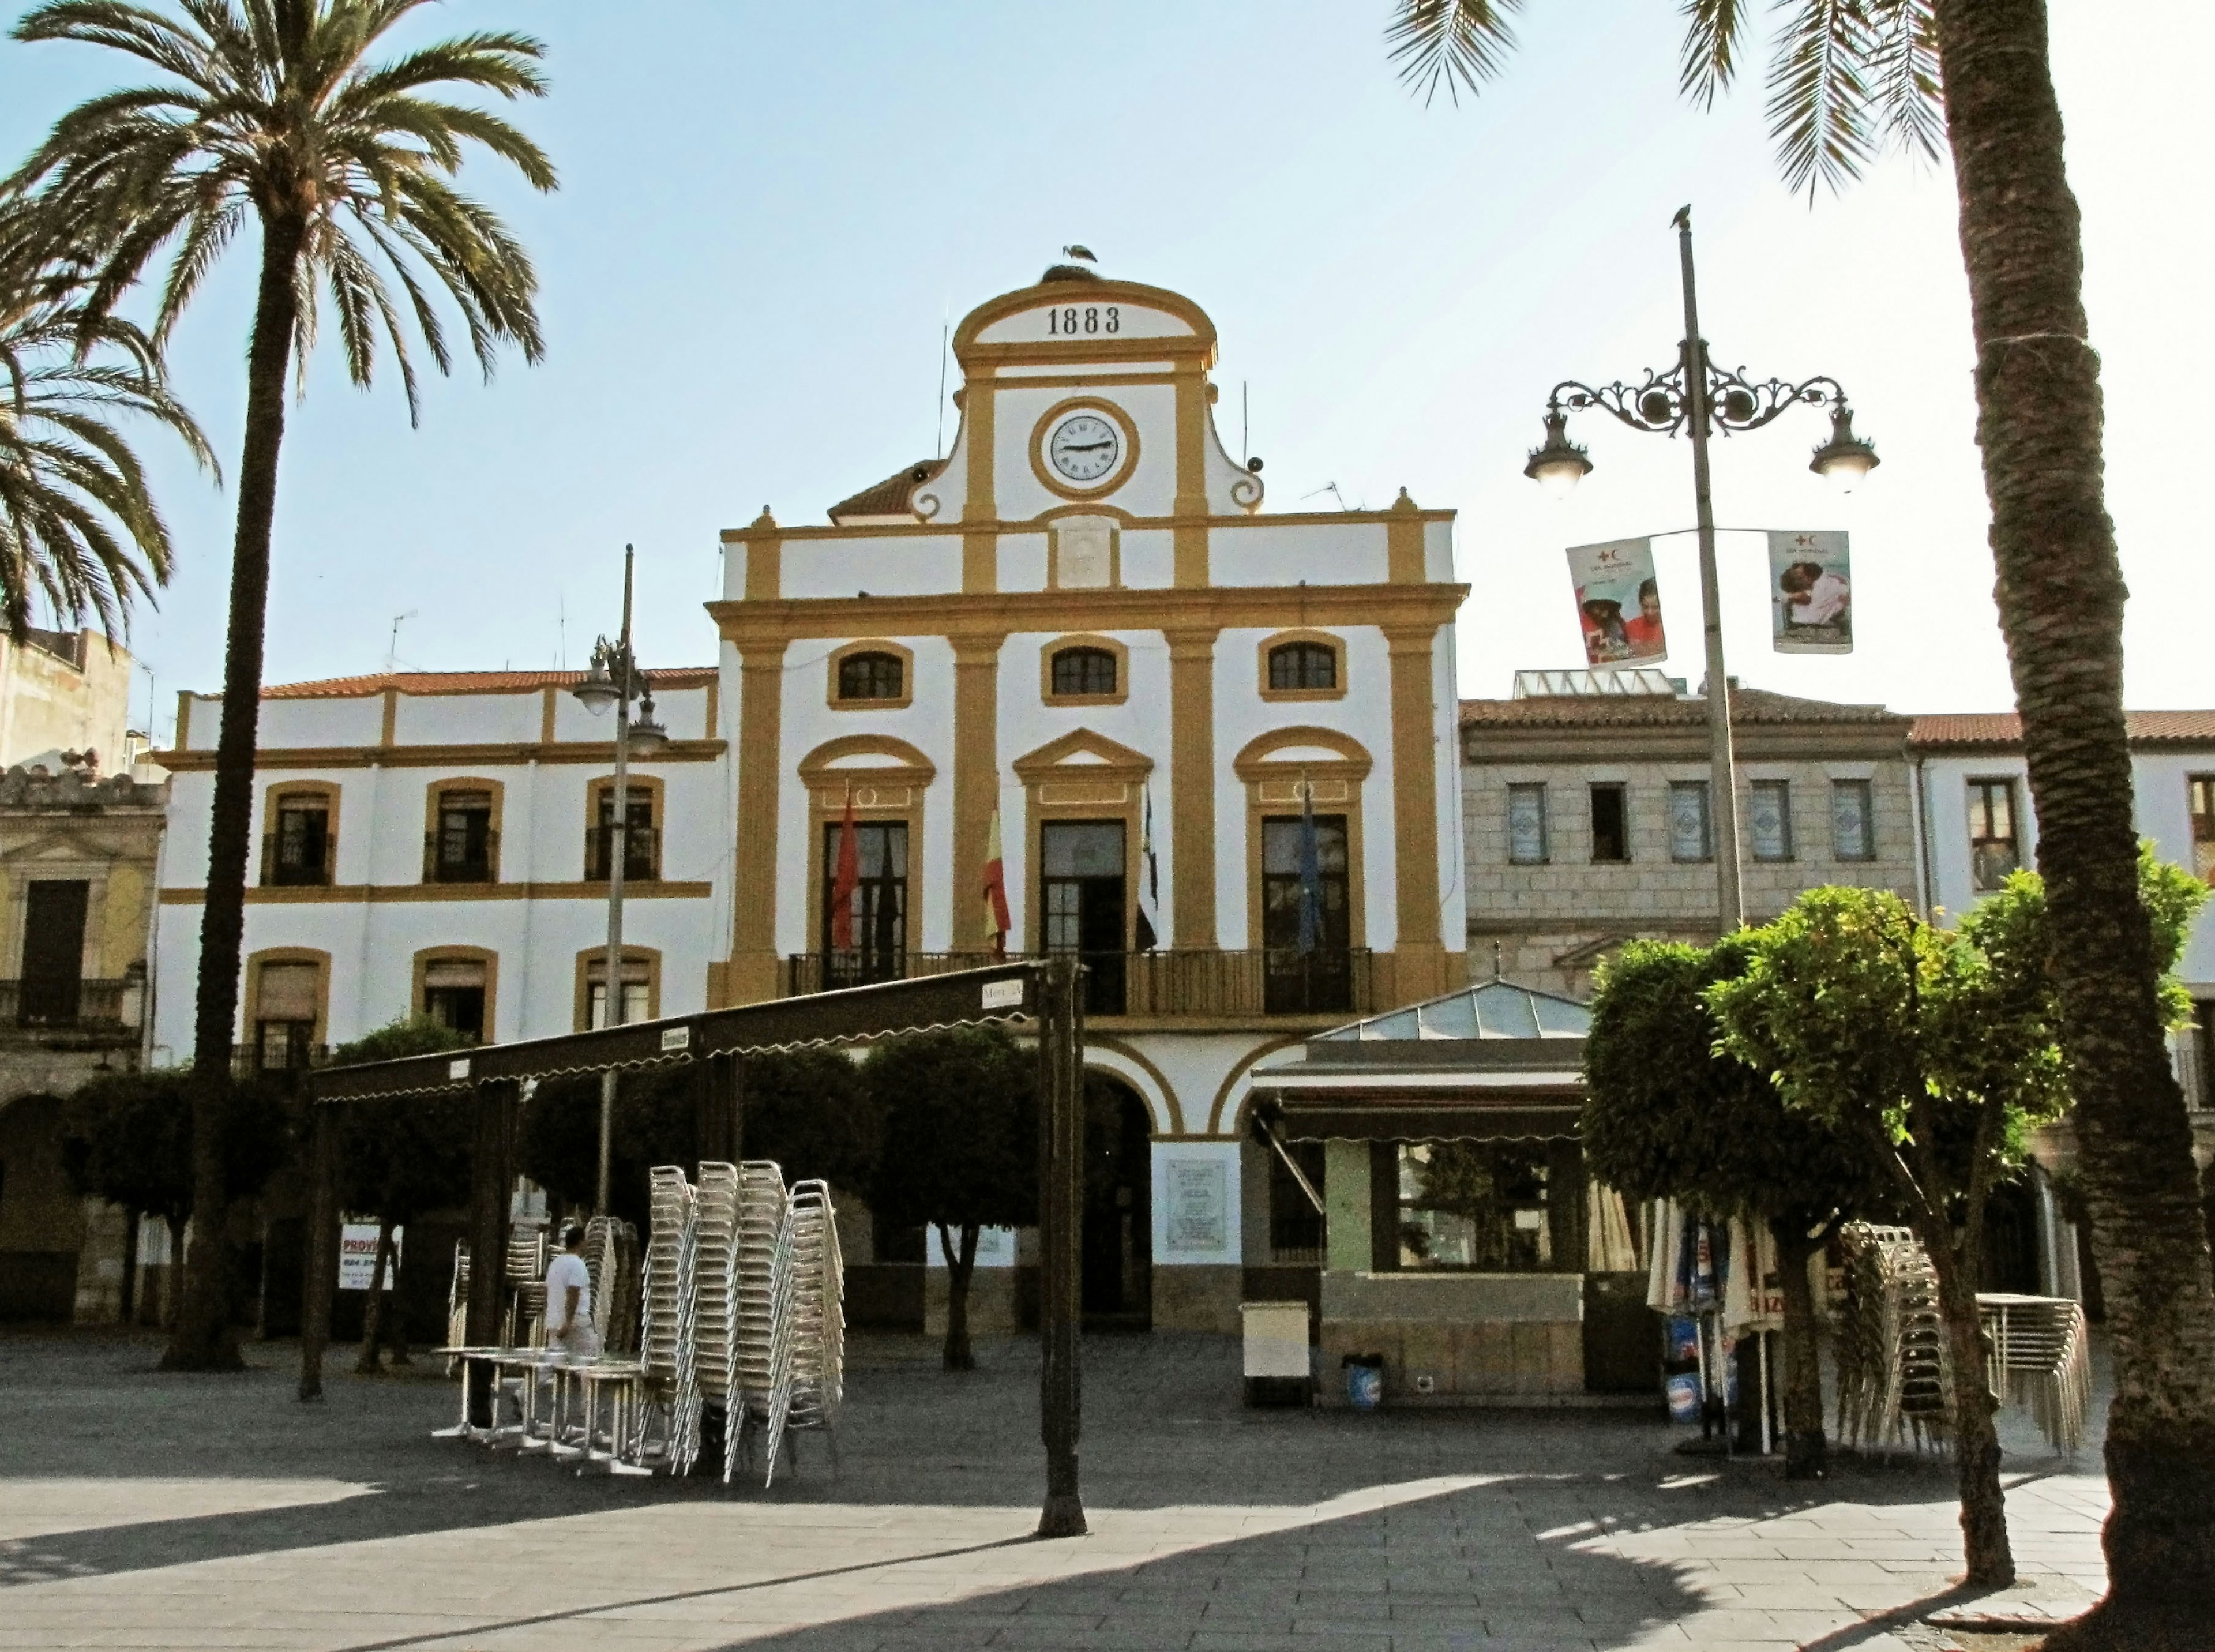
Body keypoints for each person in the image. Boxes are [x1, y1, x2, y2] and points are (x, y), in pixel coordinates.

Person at [543, 1222, 599, 1360]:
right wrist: (568, 1321)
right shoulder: (577, 1264)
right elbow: (574, 1292)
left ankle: (546, 1381)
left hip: (554, 1319)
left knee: (556, 1360)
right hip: (576, 1322)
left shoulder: (555, 1264)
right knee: (587, 1359)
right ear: (580, 1242)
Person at [1623, 578, 1665, 654]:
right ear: (1640, 603)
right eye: (1645, 607)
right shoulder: (1630, 627)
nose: (1650, 613)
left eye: (1655, 607)